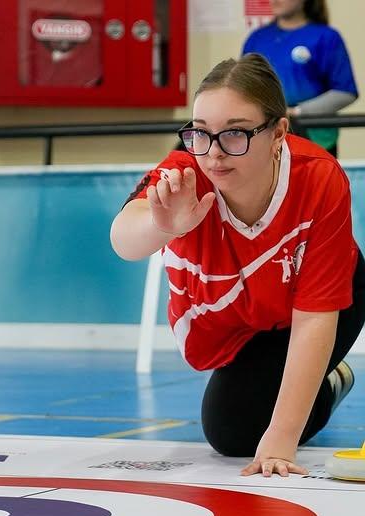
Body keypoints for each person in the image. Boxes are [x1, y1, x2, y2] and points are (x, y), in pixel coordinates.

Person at [110, 54, 365, 478]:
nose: (214, 153)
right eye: (201, 133)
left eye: (235, 133)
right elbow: (123, 239)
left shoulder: (319, 177)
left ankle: (324, 372)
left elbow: (316, 314)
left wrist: (283, 438)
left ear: (278, 133)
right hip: (241, 329)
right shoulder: (184, 173)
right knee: (230, 432)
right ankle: (331, 379)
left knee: (263, 435)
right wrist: (162, 226)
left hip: (314, 305)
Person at [242, 0, 358, 157]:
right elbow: (242, 87)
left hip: (317, 140)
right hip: (266, 139)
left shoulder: (326, 37)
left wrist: (297, 112)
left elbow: (345, 92)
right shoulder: (257, 38)